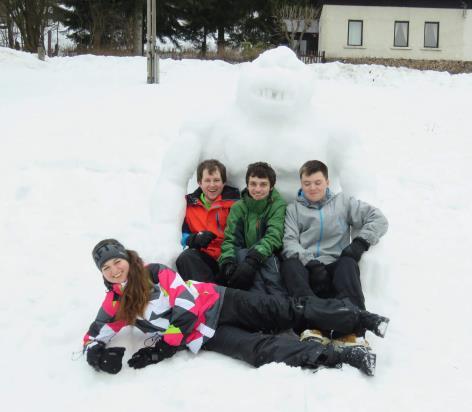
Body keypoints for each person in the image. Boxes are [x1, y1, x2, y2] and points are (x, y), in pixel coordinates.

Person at [83, 239, 390, 376]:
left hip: (221, 301)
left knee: (286, 310)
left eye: (117, 261)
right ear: (102, 273)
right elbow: (95, 334)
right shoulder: (114, 304)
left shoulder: (154, 273)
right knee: (260, 351)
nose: (114, 270)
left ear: (127, 258)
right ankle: (345, 355)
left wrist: (164, 345)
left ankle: (359, 318)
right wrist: (96, 356)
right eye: (106, 267)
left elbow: (186, 307)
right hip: (206, 334)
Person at [281, 160, 389, 346]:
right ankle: (310, 327)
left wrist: (359, 243)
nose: (312, 188)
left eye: (317, 182)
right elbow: (289, 241)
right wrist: (310, 262)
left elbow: (378, 219)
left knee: (348, 265)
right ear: (301, 184)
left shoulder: (343, 202)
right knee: (290, 265)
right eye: (307, 184)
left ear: (327, 182)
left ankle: (352, 330)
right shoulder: (294, 209)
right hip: (308, 266)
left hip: (336, 262)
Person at [217, 162, 287, 296]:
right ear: (247, 185)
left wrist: (253, 259)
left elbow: (274, 235)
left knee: (271, 278)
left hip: (269, 256)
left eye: (263, 184)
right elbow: (231, 239)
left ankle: (277, 304)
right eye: (253, 184)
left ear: (271, 186)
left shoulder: (277, 205)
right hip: (244, 258)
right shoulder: (238, 208)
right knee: (240, 260)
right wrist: (228, 262)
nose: (258, 189)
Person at [175, 159, 240, 282]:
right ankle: (206, 295)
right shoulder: (189, 204)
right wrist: (194, 239)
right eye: (207, 180)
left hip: (229, 258)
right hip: (205, 260)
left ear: (224, 182)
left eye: (216, 180)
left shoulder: (234, 203)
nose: (212, 185)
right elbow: (181, 235)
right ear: (199, 182)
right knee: (185, 258)